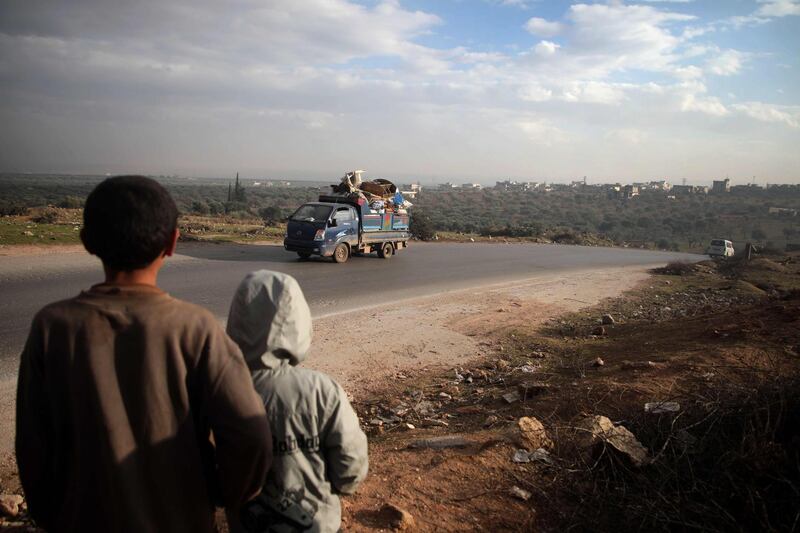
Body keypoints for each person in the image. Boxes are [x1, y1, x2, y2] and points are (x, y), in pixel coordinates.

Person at [16, 175, 272, 533]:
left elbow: (32, 448)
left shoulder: (51, 328)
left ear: (87, 241)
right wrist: (218, 493)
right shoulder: (196, 328)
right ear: (172, 242)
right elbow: (251, 436)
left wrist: (52, 514)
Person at [226, 270, 368, 533]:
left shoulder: (222, 391)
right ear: (299, 322)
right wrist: (332, 488)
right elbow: (350, 466)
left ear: (237, 321)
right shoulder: (322, 391)